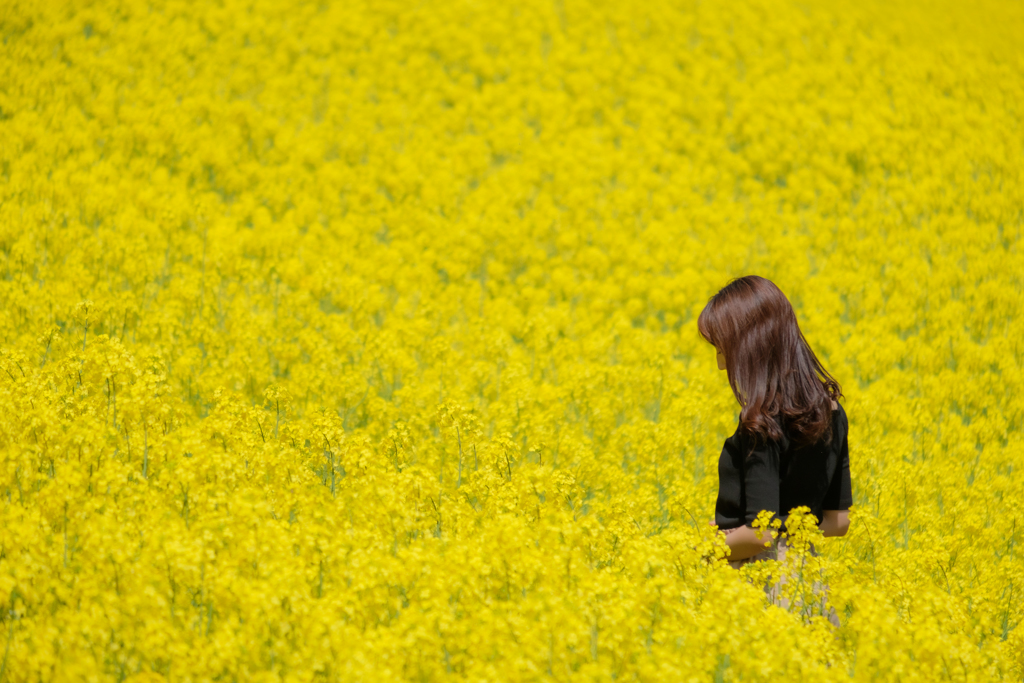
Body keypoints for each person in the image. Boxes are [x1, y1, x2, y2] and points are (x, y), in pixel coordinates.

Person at [698, 275, 853, 572]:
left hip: (757, 580)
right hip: (805, 581)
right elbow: (838, 522)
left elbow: (760, 535)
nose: (721, 364)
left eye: (722, 349)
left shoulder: (761, 422)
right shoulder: (832, 411)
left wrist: (703, 547)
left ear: (751, 345)